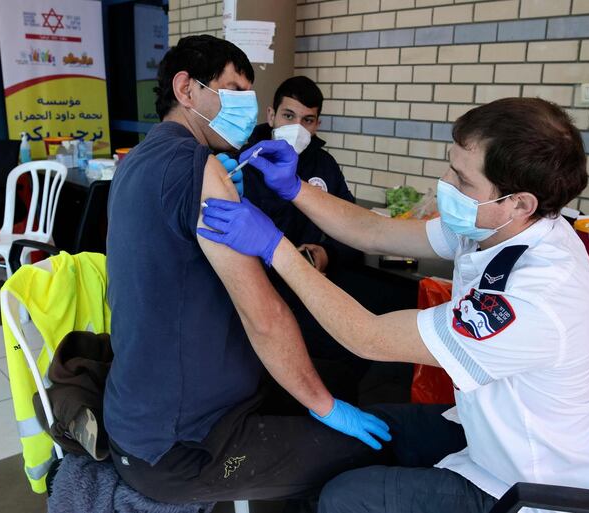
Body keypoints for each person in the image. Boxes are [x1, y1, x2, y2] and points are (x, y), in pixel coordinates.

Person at [199, 98, 589, 513]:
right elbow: (375, 232)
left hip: (532, 487)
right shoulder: (496, 225)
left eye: (463, 180)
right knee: (355, 435)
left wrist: (275, 247)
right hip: (486, 433)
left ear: (519, 202)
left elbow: (368, 337)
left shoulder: (536, 296)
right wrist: (295, 188)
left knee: (346, 499)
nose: (446, 185)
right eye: (452, 169)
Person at [103, 35, 391, 506]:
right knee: (363, 452)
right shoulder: (200, 169)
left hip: (145, 412)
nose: (244, 106)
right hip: (185, 445)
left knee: (336, 375)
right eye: (233, 88)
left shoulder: (136, 160)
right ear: (185, 89)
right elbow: (264, 315)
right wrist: (325, 407)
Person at [243, 76, 367, 403]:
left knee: (353, 352)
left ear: (317, 123)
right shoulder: (244, 160)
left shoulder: (323, 164)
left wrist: (326, 253)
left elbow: (352, 226)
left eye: (307, 120)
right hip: (258, 290)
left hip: (310, 290)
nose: (297, 127)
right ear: (271, 115)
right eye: (288, 116)